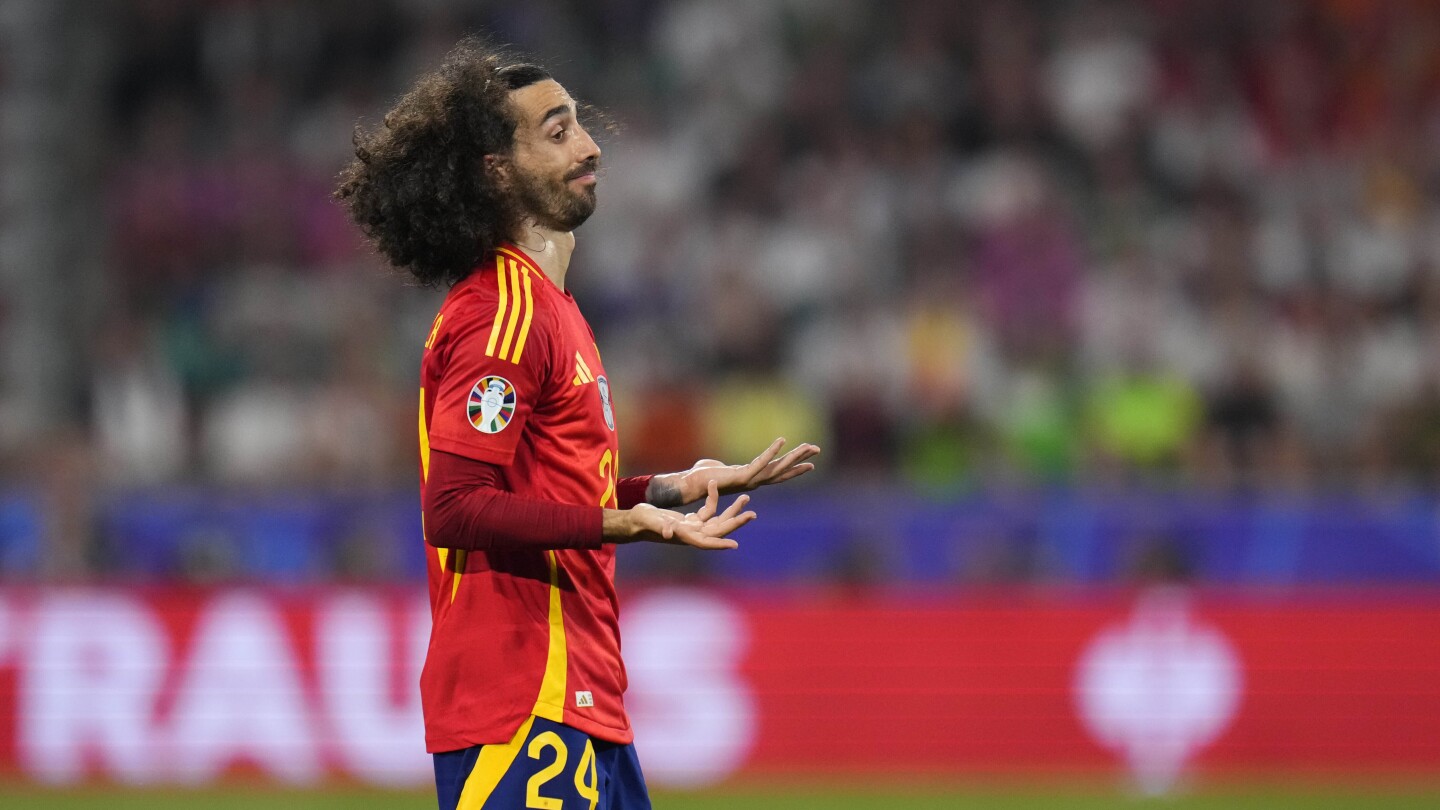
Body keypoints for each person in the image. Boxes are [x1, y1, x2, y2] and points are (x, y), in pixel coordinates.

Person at [334, 38, 820, 810]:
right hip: (524, 701)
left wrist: (663, 489)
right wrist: (624, 524)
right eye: (557, 132)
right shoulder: (504, 312)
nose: (591, 145)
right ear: (498, 170)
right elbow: (454, 507)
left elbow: (550, 483)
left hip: (582, 695)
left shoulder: (553, 311)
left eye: (580, 126)